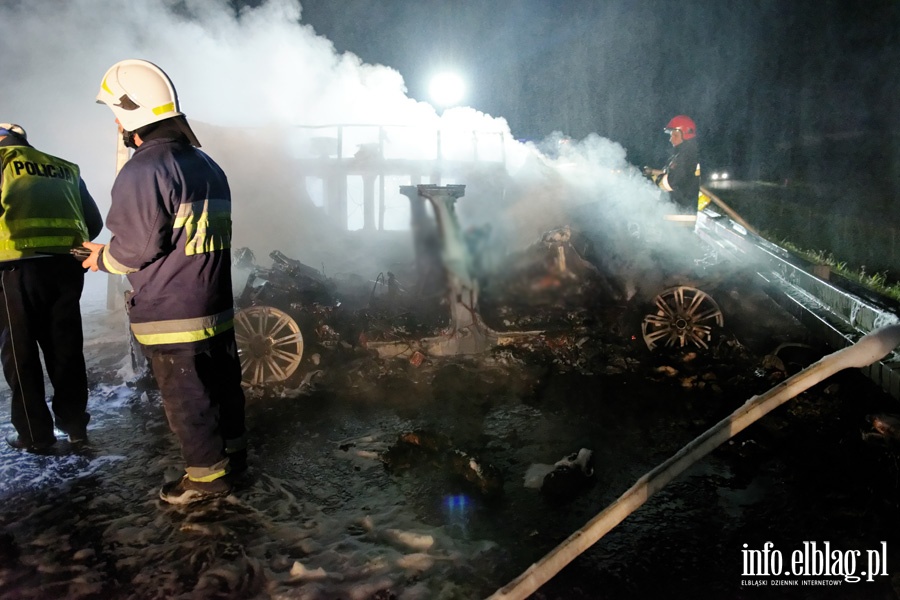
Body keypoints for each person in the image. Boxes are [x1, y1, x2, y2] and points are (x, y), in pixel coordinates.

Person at [82, 59, 247, 505]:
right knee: (222, 387)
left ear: (134, 113)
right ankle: (234, 455)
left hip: (173, 311)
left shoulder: (145, 169)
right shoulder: (206, 164)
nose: (116, 122)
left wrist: (102, 259)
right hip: (215, 304)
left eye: (117, 111)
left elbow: (134, 249)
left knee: (188, 398)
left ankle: (206, 482)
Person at [0, 123, 103, 452]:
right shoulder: (63, 167)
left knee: (20, 354)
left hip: (14, 269)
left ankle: (35, 435)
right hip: (67, 266)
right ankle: (74, 426)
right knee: (66, 350)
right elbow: (94, 222)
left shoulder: (3, 162)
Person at [642, 115, 701, 213]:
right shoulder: (681, 154)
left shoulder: (687, 156)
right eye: (671, 135)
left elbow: (671, 182)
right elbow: (671, 173)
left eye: (675, 135)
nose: (671, 139)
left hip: (680, 210)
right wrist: (652, 171)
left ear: (685, 135)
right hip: (676, 205)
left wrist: (654, 179)